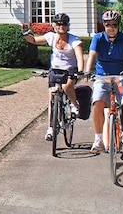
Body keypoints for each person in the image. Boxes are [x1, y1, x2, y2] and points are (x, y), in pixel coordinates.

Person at [84, 10, 123, 154]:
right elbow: (92, 55)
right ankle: (98, 139)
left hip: (121, 79)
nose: (111, 27)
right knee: (97, 102)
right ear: (103, 26)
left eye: (114, 25)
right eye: (108, 24)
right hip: (102, 79)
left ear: (119, 25)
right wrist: (87, 71)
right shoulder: (98, 38)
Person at [24, 13, 84, 141]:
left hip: (70, 70)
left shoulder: (74, 40)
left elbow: (79, 56)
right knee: (51, 98)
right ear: (54, 25)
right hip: (55, 71)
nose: (61, 26)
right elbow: (34, 40)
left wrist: (81, 70)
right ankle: (51, 128)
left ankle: (74, 104)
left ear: (68, 26)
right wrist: (25, 35)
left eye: (64, 24)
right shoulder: (51, 37)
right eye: (58, 24)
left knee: (67, 86)